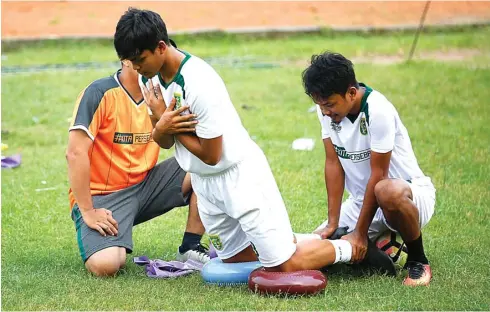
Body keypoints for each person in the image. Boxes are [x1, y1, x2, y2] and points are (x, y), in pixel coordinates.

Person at [113, 8, 395, 274]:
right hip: (204, 184)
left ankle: (351, 247)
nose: (136, 69)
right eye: (131, 63)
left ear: (161, 47)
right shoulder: (149, 78)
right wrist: (163, 123)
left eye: (140, 60)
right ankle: (311, 240)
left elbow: (211, 154)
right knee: (235, 257)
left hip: (239, 178)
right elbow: (161, 139)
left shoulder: (200, 83)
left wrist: (168, 124)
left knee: (282, 265)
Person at [302, 52, 436, 286]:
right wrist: (333, 223)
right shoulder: (325, 110)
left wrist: (360, 233)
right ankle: (380, 250)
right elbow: (333, 164)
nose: (324, 112)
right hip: (361, 202)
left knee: (387, 191)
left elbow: (379, 175)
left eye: (330, 105)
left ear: (351, 93)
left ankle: (417, 260)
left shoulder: (378, 110)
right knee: (314, 248)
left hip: (408, 195)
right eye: (320, 105)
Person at [66, 58, 210, 277]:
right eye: (143, 56)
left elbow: (173, 144)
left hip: (146, 185)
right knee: (107, 265)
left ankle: (190, 246)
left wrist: (162, 119)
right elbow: (75, 153)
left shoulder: (163, 93)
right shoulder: (99, 93)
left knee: (207, 164)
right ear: (126, 58)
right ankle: (107, 234)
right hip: (103, 197)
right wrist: (87, 210)